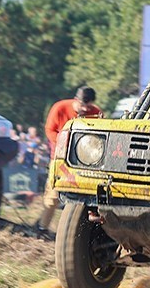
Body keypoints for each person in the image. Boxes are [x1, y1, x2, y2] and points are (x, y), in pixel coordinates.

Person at [38, 86, 102, 235]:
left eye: (89, 106)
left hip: (86, 161)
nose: (86, 109)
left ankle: (84, 231)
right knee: (53, 194)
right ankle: (42, 227)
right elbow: (49, 130)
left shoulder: (96, 113)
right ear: (76, 100)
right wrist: (63, 144)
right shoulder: (60, 108)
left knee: (88, 194)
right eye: (82, 105)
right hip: (61, 159)